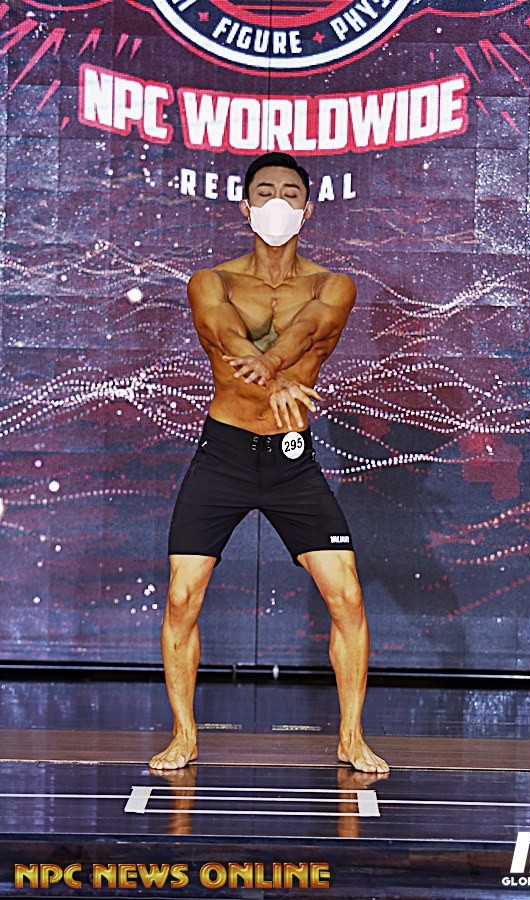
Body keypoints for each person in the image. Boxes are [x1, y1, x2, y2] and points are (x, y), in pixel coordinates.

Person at [149, 152, 388, 775]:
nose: (276, 202)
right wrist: (265, 370)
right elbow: (224, 335)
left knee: (347, 595)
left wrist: (274, 366)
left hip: (290, 457)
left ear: (307, 210)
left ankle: (351, 737)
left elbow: (308, 331)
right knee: (181, 595)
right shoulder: (212, 281)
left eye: (289, 193)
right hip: (224, 452)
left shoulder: (333, 285)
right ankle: (183, 734)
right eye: (264, 192)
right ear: (245, 206)